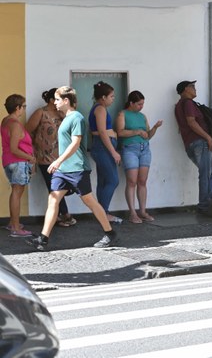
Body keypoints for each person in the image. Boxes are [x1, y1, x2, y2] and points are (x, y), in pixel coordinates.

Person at [26, 86, 117, 251]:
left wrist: (57, 161)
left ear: (66, 101)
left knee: (89, 200)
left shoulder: (76, 117)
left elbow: (76, 143)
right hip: (63, 170)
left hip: (77, 168)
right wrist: (59, 163)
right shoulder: (66, 117)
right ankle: (43, 239)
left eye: (58, 99)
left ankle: (109, 233)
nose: (56, 102)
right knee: (53, 199)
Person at [26, 88, 76, 228]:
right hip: (45, 157)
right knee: (54, 186)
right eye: (58, 99)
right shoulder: (41, 113)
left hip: (61, 157)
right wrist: (32, 149)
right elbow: (28, 131)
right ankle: (63, 214)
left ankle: (62, 214)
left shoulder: (62, 114)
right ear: (51, 100)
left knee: (60, 186)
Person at [115, 90, 162, 224]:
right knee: (131, 181)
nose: (141, 107)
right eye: (139, 104)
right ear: (131, 103)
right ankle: (132, 213)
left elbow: (148, 135)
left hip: (145, 149)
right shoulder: (122, 114)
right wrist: (137, 132)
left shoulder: (142, 116)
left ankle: (142, 211)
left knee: (142, 181)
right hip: (130, 149)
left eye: (142, 104)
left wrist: (155, 128)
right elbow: (120, 132)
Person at [174, 80, 212, 217]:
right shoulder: (187, 103)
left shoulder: (178, 106)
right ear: (185, 90)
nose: (195, 89)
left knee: (209, 172)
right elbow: (191, 122)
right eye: (192, 87)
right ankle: (205, 205)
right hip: (200, 143)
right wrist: (208, 137)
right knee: (206, 174)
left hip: (190, 144)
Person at [89, 81, 122, 224]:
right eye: (111, 96)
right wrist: (113, 152)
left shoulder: (99, 108)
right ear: (103, 97)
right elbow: (102, 132)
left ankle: (101, 213)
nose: (113, 98)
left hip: (102, 147)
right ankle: (104, 213)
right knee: (113, 180)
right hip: (103, 147)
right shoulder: (100, 109)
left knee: (103, 181)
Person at [2, 94, 35, 237]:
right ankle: (16, 227)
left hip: (9, 161)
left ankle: (12, 223)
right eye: (24, 106)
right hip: (18, 162)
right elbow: (15, 148)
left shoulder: (5, 121)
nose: (24, 109)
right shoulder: (15, 124)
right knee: (17, 192)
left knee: (15, 192)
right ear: (18, 108)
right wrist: (31, 158)